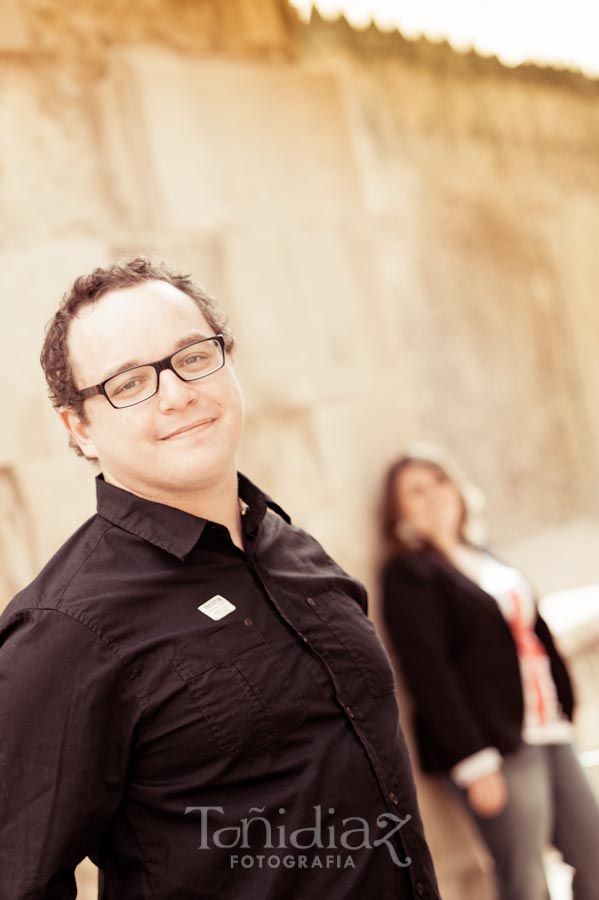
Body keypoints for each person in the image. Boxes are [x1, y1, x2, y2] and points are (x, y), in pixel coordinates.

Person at [0, 258, 441, 900]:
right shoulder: (64, 630)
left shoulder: (297, 553)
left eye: (192, 357)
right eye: (128, 383)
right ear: (80, 428)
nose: (177, 393)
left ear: (228, 361)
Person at [380, 447, 599, 900]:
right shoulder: (409, 575)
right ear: (397, 511)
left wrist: (565, 704)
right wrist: (475, 759)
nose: (433, 496)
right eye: (415, 492)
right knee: (526, 880)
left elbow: (534, 636)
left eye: (439, 481)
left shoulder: (482, 555)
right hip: (496, 744)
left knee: (594, 856)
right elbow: (430, 672)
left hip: (547, 725)